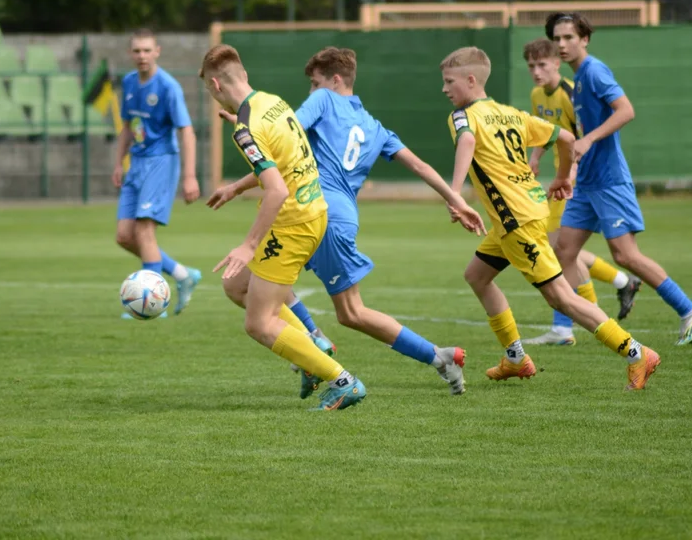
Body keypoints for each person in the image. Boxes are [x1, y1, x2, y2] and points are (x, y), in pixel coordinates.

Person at [209, 47, 486, 396]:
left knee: (350, 312)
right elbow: (420, 167)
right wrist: (456, 199)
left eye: (314, 83)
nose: (311, 91)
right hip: (331, 217)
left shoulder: (323, 101)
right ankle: (315, 343)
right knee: (241, 285)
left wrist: (245, 130)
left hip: (315, 215)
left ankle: (435, 357)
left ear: (334, 81)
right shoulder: (376, 128)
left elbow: (286, 139)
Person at [441, 46, 660, 391]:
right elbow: (567, 137)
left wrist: (454, 195)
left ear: (471, 80)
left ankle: (637, 353)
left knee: (562, 298)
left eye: (448, 81)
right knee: (477, 276)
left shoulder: (463, 117)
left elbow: (467, 140)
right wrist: (561, 177)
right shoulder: (510, 114)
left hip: (515, 221)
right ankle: (516, 359)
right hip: (521, 214)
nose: (444, 89)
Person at [200, 43, 366, 411]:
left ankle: (342, 381)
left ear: (215, 85)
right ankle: (312, 344)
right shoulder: (272, 102)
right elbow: (283, 159)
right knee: (235, 283)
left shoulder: (246, 129)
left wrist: (248, 245)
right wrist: (235, 187)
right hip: (313, 210)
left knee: (258, 324)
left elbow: (275, 190)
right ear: (243, 75)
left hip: (294, 223)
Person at [546, 13, 692, 346]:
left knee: (625, 255)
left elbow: (626, 110)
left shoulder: (594, 71)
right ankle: (562, 330)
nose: (562, 44)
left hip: (608, 181)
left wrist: (589, 139)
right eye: (557, 38)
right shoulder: (577, 80)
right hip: (588, 183)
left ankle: (690, 309)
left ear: (585, 39)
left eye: (568, 37)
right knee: (563, 250)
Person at [519, 38, 642, 346]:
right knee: (560, 248)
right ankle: (618, 286)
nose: (536, 71)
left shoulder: (571, 93)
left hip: (577, 180)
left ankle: (573, 324)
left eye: (542, 64)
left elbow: (583, 139)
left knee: (561, 250)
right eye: (531, 65)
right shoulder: (537, 95)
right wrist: (534, 159)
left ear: (556, 63)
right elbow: (544, 133)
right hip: (564, 178)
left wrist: (572, 175)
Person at [114, 29, 201, 317]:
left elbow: (186, 131)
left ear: (157, 51)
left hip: (161, 161)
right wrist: (118, 162)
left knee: (144, 230)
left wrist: (190, 176)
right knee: (125, 236)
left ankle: (153, 304)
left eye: (147, 50)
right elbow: (127, 126)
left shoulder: (167, 87)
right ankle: (182, 273)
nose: (142, 56)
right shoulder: (128, 83)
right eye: (137, 51)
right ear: (131, 53)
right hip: (136, 164)